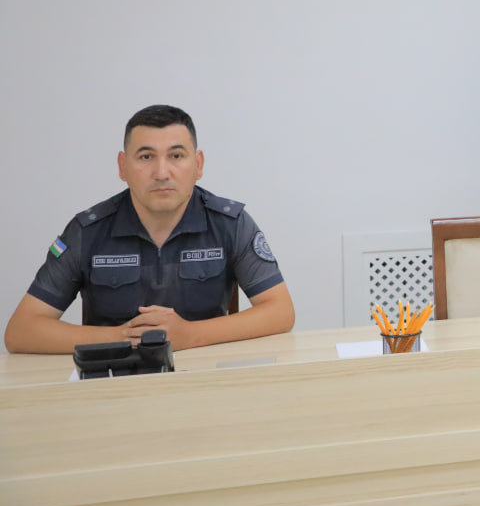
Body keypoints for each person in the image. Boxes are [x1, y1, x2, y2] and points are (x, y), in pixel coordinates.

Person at [4, 105, 295, 354]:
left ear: (198, 164)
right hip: (113, 380)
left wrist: (190, 335)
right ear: (123, 166)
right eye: (146, 157)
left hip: (204, 378)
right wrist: (126, 337)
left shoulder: (230, 224)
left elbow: (280, 311)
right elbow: (21, 331)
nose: (162, 173)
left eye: (176, 156)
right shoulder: (88, 231)